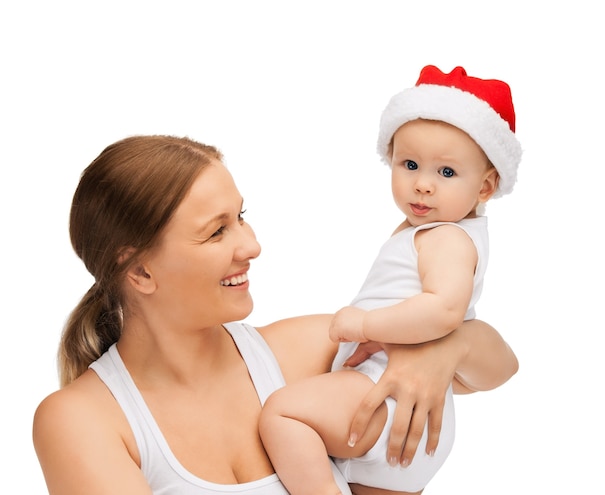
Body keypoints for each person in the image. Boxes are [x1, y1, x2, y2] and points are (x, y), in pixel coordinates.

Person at [32, 134, 519, 495]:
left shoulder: (304, 350)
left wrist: (449, 345)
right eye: (216, 232)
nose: (252, 245)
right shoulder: (82, 422)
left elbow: (500, 369)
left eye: (241, 216)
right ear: (139, 271)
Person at [258, 65, 523, 495]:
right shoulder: (438, 232)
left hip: (385, 392)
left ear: (486, 187)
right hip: (411, 416)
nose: (422, 185)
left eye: (447, 173)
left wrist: (363, 325)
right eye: (410, 164)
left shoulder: (446, 238)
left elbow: (445, 310)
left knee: (284, 415)